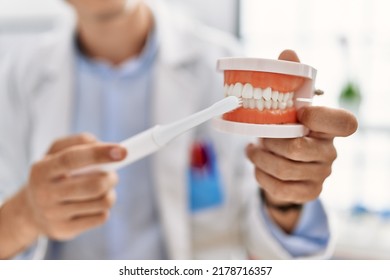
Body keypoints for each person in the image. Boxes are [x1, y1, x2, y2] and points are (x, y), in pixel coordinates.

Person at [0, 0, 357, 260]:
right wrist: (26, 214)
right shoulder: (17, 76)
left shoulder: (221, 64)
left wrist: (284, 194)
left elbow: (267, 248)